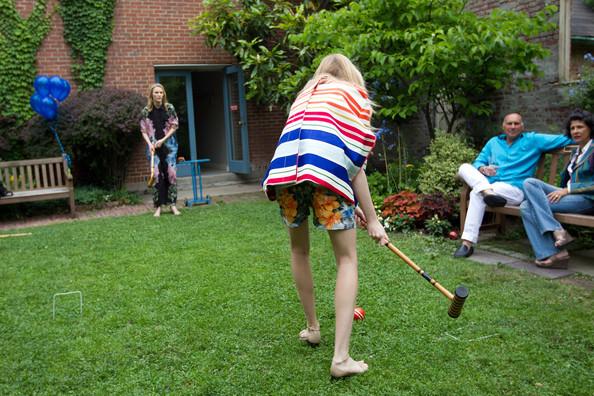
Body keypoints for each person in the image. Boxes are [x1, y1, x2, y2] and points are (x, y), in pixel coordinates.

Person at [262, 54, 389, 378]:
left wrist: (351, 202)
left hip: (287, 177)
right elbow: (355, 165)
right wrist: (372, 219)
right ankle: (341, 358)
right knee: (347, 259)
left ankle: (313, 328)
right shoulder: (353, 96)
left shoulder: (305, 95)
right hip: (324, 177)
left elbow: (318, 152)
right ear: (351, 75)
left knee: (298, 250)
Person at [454, 112, 572, 258]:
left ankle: (467, 244)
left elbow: (564, 139)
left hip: (515, 190)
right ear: (503, 126)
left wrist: (586, 135)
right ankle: (487, 193)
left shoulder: (533, 140)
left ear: (522, 126)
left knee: (475, 193)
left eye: (516, 123)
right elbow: (478, 162)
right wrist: (483, 169)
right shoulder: (494, 142)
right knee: (464, 167)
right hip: (492, 187)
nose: (513, 126)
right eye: (509, 123)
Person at [520, 109, 594, 269]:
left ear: (590, 128)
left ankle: (553, 252)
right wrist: (563, 190)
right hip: (571, 196)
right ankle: (557, 232)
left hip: (588, 199)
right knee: (529, 183)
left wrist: (567, 190)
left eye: (580, 127)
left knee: (527, 206)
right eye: (573, 128)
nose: (576, 131)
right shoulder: (577, 151)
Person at [140, 83, 181, 217]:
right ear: (151, 94)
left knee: (171, 175)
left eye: (161, 93)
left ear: (164, 94)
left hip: (169, 147)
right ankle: (158, 207)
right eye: (156, 92)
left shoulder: (169, 108)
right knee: (157, 176)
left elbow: (175, 126)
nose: (159, 95)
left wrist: (162, 140)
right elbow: (143, 131)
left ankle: (173, 205)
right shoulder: (146, 111)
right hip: (153, 149)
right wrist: (150, 144)